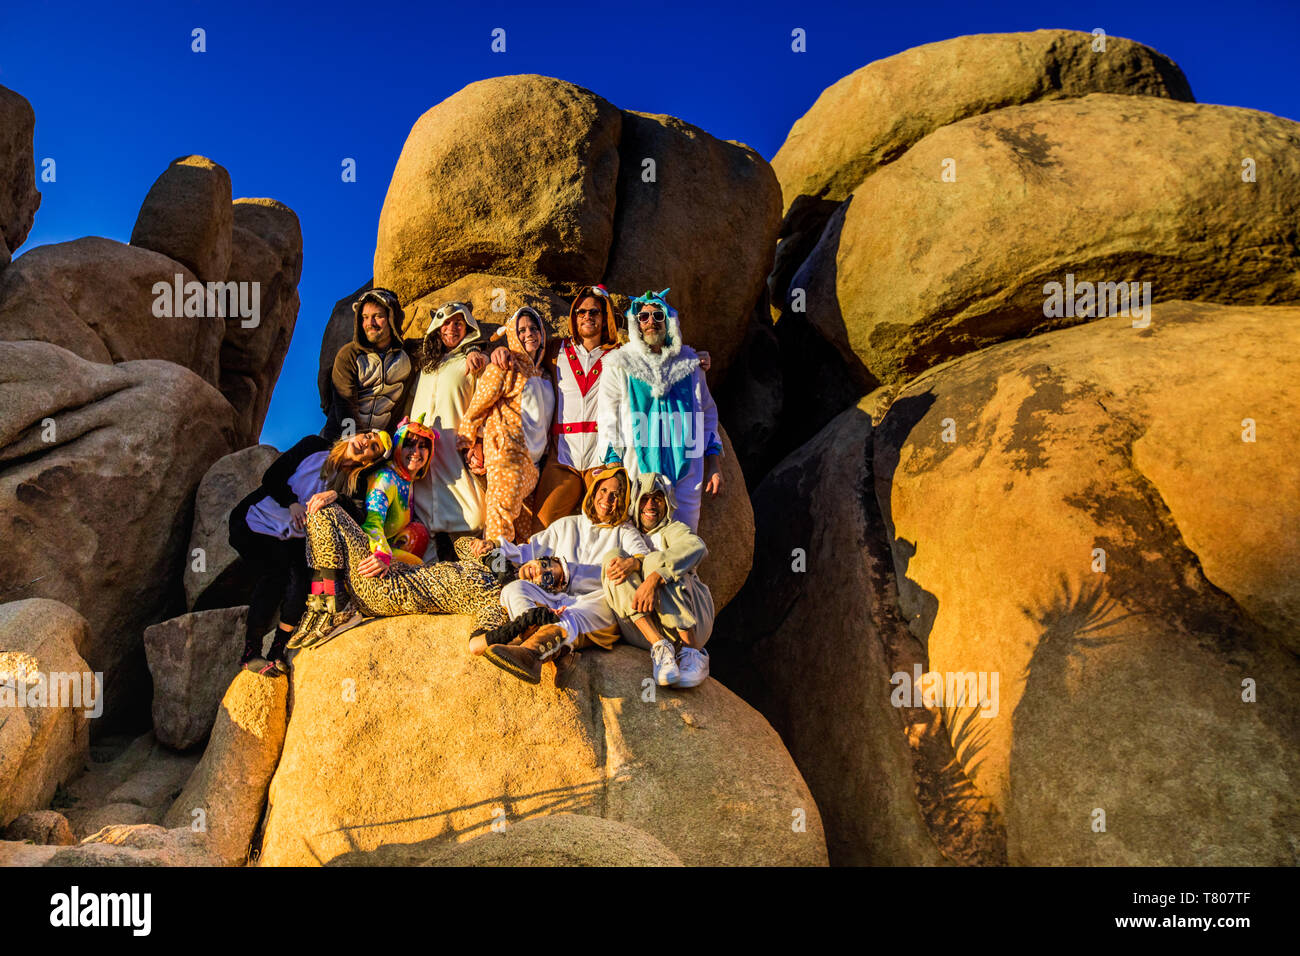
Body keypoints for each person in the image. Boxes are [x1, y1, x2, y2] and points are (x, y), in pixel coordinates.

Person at [288, 503, 565, 650]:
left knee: (327, 514)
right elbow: (460, 547)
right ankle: (325, 603)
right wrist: (486, 545)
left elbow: (478, 641)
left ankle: (334, 607)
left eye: (548, 578)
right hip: (393, 571)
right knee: (320, 511)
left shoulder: (501, 601)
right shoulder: (499, 564)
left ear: (547, 591)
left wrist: (526, 622)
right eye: (545, 563)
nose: (540, 570)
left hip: (388, 592)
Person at [228, 429, 391, 676]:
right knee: (276, 573)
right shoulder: (314, 446)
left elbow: (359, 516)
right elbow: (272, 476)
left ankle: (277, 652)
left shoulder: (353, 485)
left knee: (303, 580)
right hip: (254, 521)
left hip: (292, 540)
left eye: (373, 447)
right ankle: (251, 652)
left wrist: (335, 495)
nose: (366, 442)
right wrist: (292, 502)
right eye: (367, 435)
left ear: (368, 461)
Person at [465, 465, 648, 684]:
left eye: (615, 494)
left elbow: (644, 558)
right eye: (603, 490)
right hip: (554, 597)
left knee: (575, 615)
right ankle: (552, 647)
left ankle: (530, 654)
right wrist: (495, 544)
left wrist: (632, 562)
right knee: (514, 588)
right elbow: (528, 550)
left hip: (595, 602)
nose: (607, 499)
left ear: (624, 501)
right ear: (594, 490)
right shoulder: (567, 525)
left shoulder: (625, 532)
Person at [596, 289, 724, 532]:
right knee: (641, 550)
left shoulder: (689, 365)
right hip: (637, 471)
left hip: (687, 474)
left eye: (658, 315)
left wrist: (715, 465)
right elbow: (607, 420)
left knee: (684, 546)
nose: (651, 322)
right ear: (635, 324)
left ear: (669, 320)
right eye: (643, 317)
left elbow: (707, 414)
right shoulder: (619, 365)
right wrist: (613, 470)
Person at [602, 472, 714, 688]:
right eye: (644, 498)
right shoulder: (625, 531)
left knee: (654, 561)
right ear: (635, 502)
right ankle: (660, 649)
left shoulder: (673, 530)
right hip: (645, 630)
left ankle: (692, 654)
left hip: (690, 626)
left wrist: (655, 577)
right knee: (612, 559)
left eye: (657, 498)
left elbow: (697, 546)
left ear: (666, 502)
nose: (650, 504)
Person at [405, 301, 500, 552]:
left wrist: (479, 441)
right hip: (422, 452)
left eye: (458, 323)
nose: (451, 328)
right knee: (422, 514)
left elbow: (486, 403)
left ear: (468, 327)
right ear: (436, 327)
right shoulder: (427, 367)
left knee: (474, 514)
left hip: (455, 448)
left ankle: (470, 554)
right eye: (445, 322)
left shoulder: (476, 361)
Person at [458, 306, 554, 543]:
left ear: (542, 333)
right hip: (507, 454)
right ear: (512, 334)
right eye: (521, 330)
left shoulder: (546, 375)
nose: (528, 334)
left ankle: (514, 569)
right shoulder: (504, 367)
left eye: (533, 328)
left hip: (535, 463)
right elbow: (478, 406)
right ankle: (494, 567)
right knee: (501, 514)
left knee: (525, 526)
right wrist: (468, 442)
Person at [530, 285, 622, 527]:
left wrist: (691, 358)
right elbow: (523, 350)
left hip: (602, 458)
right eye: (581, 312)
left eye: (594, 312)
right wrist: (492, 353)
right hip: (562, 459)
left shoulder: (622, 354)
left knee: (608, 524)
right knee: (542, 525)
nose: (587, 317)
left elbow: (655, 357)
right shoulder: (554, 350)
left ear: (605, 318)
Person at [322, 288, 413, 441]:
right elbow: (345, 406)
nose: (370, 323)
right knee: (305, 449)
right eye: (365, 317)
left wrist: (468, 349)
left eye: (377, 316)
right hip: (341, 442)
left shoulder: (407, 356)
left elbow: (440, 347)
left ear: (392, 318)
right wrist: (351, 441)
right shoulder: (349, 355)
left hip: (382, 444)